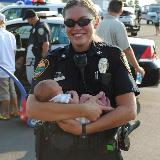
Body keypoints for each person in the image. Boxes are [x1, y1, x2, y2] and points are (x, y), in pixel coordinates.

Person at [26, 0, 139, 159]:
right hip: (57, 152)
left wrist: (84, 129)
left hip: (102, 152)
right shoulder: (52, 60)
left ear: (96, 21)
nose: (77, 27)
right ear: (65, 26)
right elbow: (32, 109)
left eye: (84, 21)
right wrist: (83, 110)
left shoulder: (113, 56)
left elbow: (128, 111)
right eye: (70, 22)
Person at [97, 0, 145, 78]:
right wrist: (137, 67)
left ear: (108, 9)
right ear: (121, 11)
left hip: (100, 67)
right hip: (114, 69)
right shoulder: (118, 25)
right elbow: (127, 50)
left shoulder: (99, 25)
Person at [0, 13, 18, 120]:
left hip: (1, 68)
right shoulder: (10, 35)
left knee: (4, 92)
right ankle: (15, 111)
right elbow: (14, 51)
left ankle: (5, 114)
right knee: (12, 90)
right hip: (10, 67)